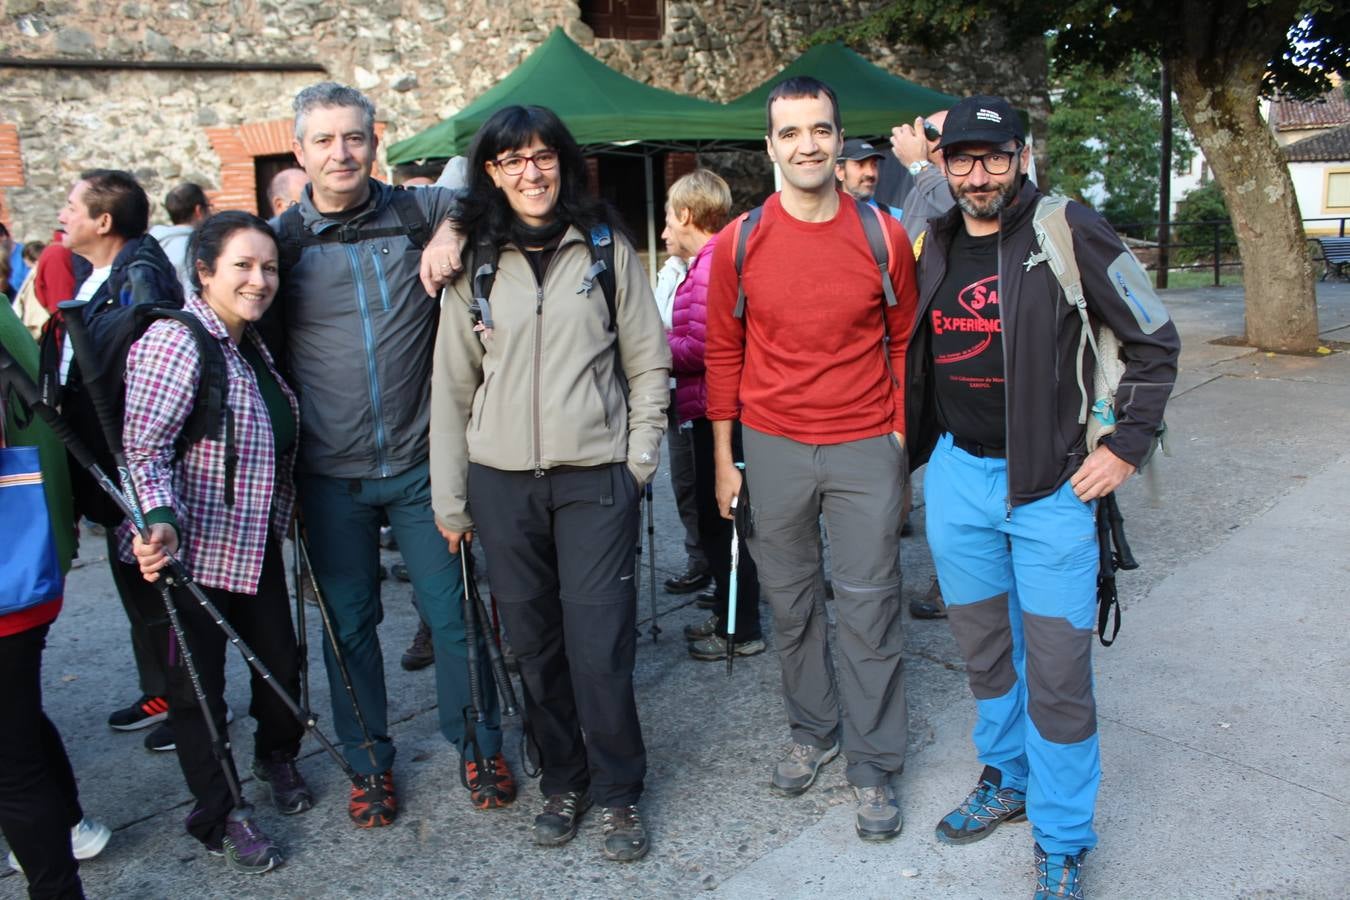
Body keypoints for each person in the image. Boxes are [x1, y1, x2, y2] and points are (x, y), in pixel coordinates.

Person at [905, 95, 1180, 900]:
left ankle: (1062, 838)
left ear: (1021, 157)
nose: (979, 173)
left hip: (1051, 484)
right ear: (944, 165)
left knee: (1057, 671)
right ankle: (1007, 778)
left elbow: (1155, 339)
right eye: (963, 158)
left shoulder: (1068, 229)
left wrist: (1126, 446)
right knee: (986, 652)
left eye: (995, 156)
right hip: (958, 475)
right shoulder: (933, 242)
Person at [430, 104, 670, 862]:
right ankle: (562, 779)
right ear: (492, 174)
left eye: (541, 157)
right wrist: (451, 498)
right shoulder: (477, 262)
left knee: (600, 646)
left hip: (595, 480)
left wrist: (637, 463)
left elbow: (647, 362)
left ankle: (620, 790)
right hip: (502, 485)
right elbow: (451, 388)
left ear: (561, 163)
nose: (529, 173)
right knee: (534, 647)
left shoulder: (604, 248)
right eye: (510, 161)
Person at [273, 81, 503, 826]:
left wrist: (452, 232)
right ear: (300, 149)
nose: (342, 152)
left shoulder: (416, 210)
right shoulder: (281, 244)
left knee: (455, 614)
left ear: (376, 141)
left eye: (355, 137)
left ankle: (479, 742)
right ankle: (368, 761)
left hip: (420, 466)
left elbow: (486, 189)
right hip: (329, 477)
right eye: (325, 140)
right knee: (348, 628)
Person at [704, 77, 919, 843]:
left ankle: (873, 763)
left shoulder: (881, 235)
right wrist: (727, 461)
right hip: (772, 447)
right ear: (770, 147)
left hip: (866, 446)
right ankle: (813, 729)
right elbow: (723, 357)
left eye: (820, 130)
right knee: (793, 606)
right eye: (790, 133)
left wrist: (896, 437)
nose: (807, 145)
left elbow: (903, 342)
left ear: (839, 139)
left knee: (869, 607)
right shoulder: (740, 241)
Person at [124, 211, 310, 875]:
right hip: (189, 555)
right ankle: (221, 810)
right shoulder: (177, 341)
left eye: (268, 267)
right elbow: (142, 450)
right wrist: (159, 517)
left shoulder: (246, 341)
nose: (259, 280)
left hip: (252, 539)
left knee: (280, 663)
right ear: (203, 272)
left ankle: (276, 756)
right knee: (198, 693)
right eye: (242, 266)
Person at [58, 170, 187, 752]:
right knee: (138, 588)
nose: (63, 213)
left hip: (130, 461)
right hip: (104, 465)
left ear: (103, 221)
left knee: (160, 585)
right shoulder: (96, 275)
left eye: (71, 204)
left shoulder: (141, 278)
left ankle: (186, 705)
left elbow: (147, 372)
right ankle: (160, 691)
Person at [0, 300, 110, 900]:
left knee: (10, 762)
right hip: (23, 561)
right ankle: (69, 826)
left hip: (10, 578)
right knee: (17, 725)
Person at [662, 169, 765, 661]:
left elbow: (706, 346)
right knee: (721, 522)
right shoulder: (712, 258)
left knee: (725, 524)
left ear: (685, 214)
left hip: (719, 410)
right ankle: (731, 617)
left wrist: (651, 345)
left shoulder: (710, 265)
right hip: (710, 407)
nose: (664, 229)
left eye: (667, 216)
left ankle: (739, 629)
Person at [891, 107, 954, 621]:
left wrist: (920, 164)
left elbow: (956, 216)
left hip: (958, 355)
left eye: (936, 133)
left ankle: (951, 581)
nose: (927, 140)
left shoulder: (953, 181)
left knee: (957, 473)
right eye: (928, 132)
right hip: (917, 354)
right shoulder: (918, 189)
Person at [149, 183, 213, 290]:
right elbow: (192, 293)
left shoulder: (152, 243)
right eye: (208, 207)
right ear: (198, 211)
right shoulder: (194, 249)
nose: (211, 212)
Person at [834, 138, 901, 219]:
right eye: (860, 164)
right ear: (839, 171)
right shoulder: (824, 217)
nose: (871, 173)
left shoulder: (895, 217)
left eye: (874, 165)